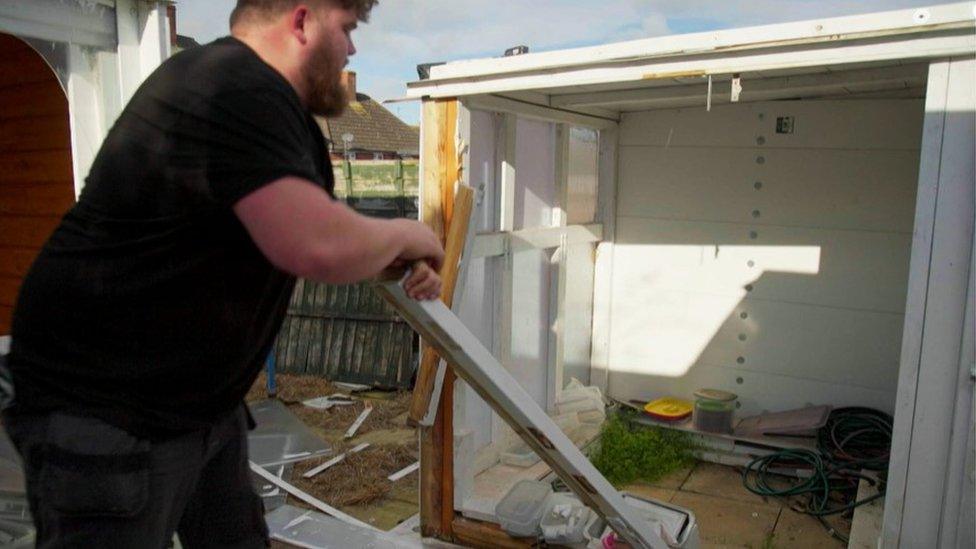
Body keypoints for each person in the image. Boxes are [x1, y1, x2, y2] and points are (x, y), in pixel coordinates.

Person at [1, 0, 443, 546]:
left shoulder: (262, 104)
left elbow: (306, 226)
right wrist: (410, 233)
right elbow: (317, 245)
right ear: (302, 20)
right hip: (110, 410)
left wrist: (391, 258)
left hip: (200, 403)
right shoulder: (231, 85)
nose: (353, 48)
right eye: (348, 28)